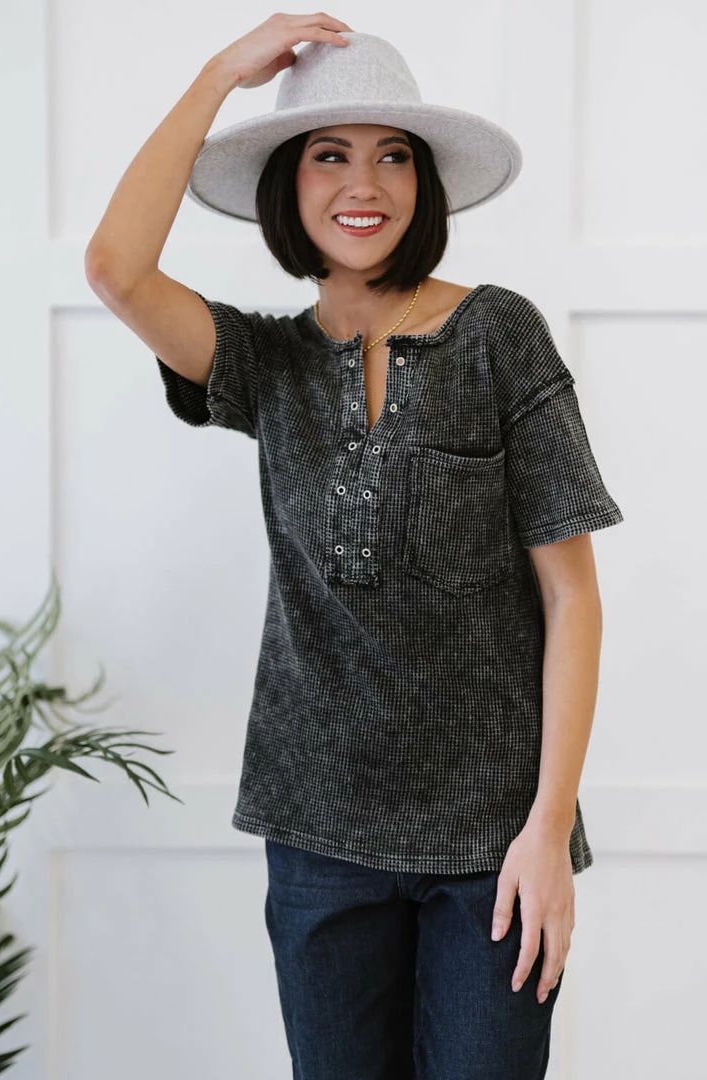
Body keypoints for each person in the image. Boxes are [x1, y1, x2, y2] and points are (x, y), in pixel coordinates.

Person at [85, 14, 624, 1079]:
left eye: (392, 156)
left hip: (494, 844)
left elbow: (573, 600)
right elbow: (116, 268)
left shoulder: (499, 335)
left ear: (424, 182)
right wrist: (219, 75)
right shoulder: (264, 363)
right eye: (329, 155)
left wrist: (548, 831)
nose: (362, 184)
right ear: (287, 184)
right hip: (318, 840)